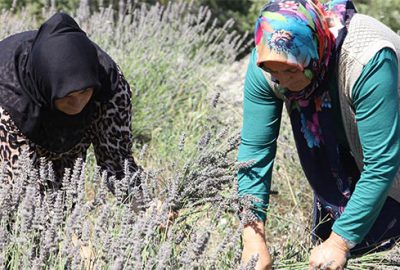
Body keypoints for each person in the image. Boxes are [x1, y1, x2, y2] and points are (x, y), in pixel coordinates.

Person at [237, 0, 400, 269]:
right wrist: (253, 240)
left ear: (314, 53)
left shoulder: (367, 58)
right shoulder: (268, 61)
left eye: (291, 70)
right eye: (274, 72)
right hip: (345, 156)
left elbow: (382, 164)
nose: (282, 82)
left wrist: (339, 243)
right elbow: (254, 154)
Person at [0, 12, 139, 190]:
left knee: (66, 197)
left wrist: (149, 212)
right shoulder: (8, 101)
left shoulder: (110, 86)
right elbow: (22, 188)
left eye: (84, 91)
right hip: (19, 115)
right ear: (49, 87)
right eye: (67, 96)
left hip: (72, 131)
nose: (78, 102)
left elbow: (119, 164)